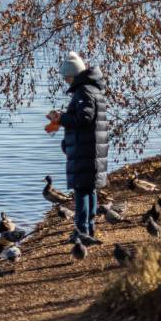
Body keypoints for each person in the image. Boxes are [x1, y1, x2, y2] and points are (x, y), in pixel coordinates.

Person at [47, 52, 108, 243]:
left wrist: (62, 118)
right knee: (89, 190)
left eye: (66, 76)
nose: (65, 80)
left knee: (82, 190)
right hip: (91, 149)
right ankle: (88, 231)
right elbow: (85, 117)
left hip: (85, 150)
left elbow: (84, 118)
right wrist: (64, 117)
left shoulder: (84, 91)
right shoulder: (91, 89)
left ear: (73, 74)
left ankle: (81, 233)